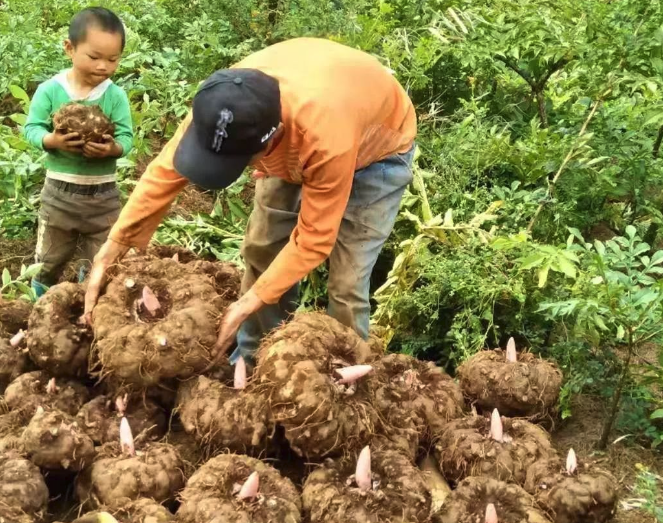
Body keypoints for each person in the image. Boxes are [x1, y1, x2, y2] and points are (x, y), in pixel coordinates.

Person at [83, 37, 416, 365]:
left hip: (377, 151)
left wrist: (246, 303)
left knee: (347, 281)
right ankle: (255, 358)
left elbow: (314, 240)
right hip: (306, 120)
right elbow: (164, 173)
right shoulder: (224, 103)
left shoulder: (326, 139)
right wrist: (115, 244)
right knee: (262, 249)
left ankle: (341, 376)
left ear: (271, 143)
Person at [24, 7, 133, 297]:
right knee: (49, 257)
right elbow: (31, 128)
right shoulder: (50, 91)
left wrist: (113, 149)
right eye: (95, 57)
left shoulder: (115, 96)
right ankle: (40, 303)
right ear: (69, 49)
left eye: (113, 59)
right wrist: (52, 141)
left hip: (103, 198)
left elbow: (126, 137)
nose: (104, 67)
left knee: (100, 259)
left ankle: (87, 296)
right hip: (58, 197)